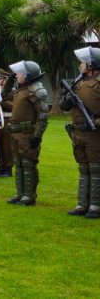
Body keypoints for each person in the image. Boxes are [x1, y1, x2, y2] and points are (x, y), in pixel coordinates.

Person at [61, 47, 100, 218]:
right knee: (83, 168)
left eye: (83, 62)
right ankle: (82, 204)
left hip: (94, 134)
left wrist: (95, 123)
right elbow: (63, 106)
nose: (80, 65)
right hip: (78, 133)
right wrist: (68, 99)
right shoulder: (78, 83)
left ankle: (95, 206)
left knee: (96, 169)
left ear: (91, 65)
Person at [5, 60, 48, 206]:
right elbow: (4, 95)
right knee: (18, 164)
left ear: (28, 75)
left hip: (27, 134)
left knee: (28, 163)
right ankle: (20, 193)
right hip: (16, 133)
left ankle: (29, 196)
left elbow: (43, 116)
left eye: (19, 73)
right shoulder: (20, 90)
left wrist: (37, 136)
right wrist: (9, 81)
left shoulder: (35, 91)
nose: (16, 75)